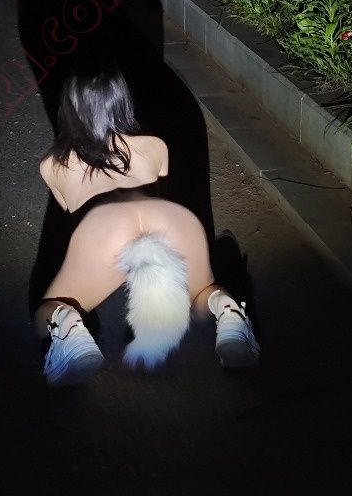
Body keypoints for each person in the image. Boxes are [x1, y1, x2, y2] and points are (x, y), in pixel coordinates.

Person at [32, 64, 261, 387]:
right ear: (122, 102)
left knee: (46, 310)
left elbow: (71, 215)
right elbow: (160, 190)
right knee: (201, 294)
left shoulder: (53, 165)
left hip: (107, 226)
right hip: (170, 218)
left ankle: (68, 325)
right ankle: (227, 310)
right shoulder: (155, 146)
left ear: (69, 110)